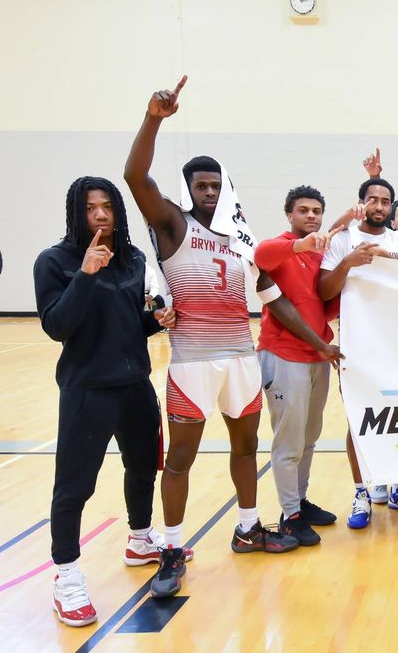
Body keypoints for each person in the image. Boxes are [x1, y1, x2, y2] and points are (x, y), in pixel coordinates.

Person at [125, 77, 336, 598]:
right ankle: (172, 548)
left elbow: (273, 299)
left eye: (217, 186)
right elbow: (134, 175)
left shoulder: (240, 239)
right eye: (202, 186)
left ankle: (247, 527)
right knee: (180, 458)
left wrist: (319, 341)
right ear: (188, 189)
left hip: (242, 356)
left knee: (246, 450)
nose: (210, 193)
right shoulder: (172, 224)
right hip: (193, 361)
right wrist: (154, 118)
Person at [34, 176, 176, 627]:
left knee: (141, 468)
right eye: (90, 207)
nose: (99, 214)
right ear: (77, 212)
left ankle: (139, 539)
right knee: (74, 487)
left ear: (118, 211)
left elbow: (127, 325)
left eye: (107, 206)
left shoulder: (132, 258)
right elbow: (58, 326)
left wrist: (154, 321)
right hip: (86, 391)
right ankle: (66, 575)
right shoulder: (54, 261)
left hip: (135, 383)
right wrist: (85, 275)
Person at [318, 177, 398, 528]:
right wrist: (348, 263)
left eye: (385, 201)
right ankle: (362, 492)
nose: (379, 206)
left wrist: (385, 257)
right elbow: (323, 291)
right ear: (362, 202)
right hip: (356, 342)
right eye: (373, 199)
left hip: (396, 341)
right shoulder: (345, 239)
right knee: (358, 418)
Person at [254, 185, 344, 547]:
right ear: (289, 214)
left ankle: (300, 502)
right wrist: (299, 244)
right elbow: (260, 256)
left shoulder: (321, 257)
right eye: (303, 210)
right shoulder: (279, 249)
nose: (311, 216)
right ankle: (288, 516)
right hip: (283, 355)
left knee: (309, 438)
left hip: (317, 357)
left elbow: (323, 303)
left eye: (316, 211)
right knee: (288, 442)